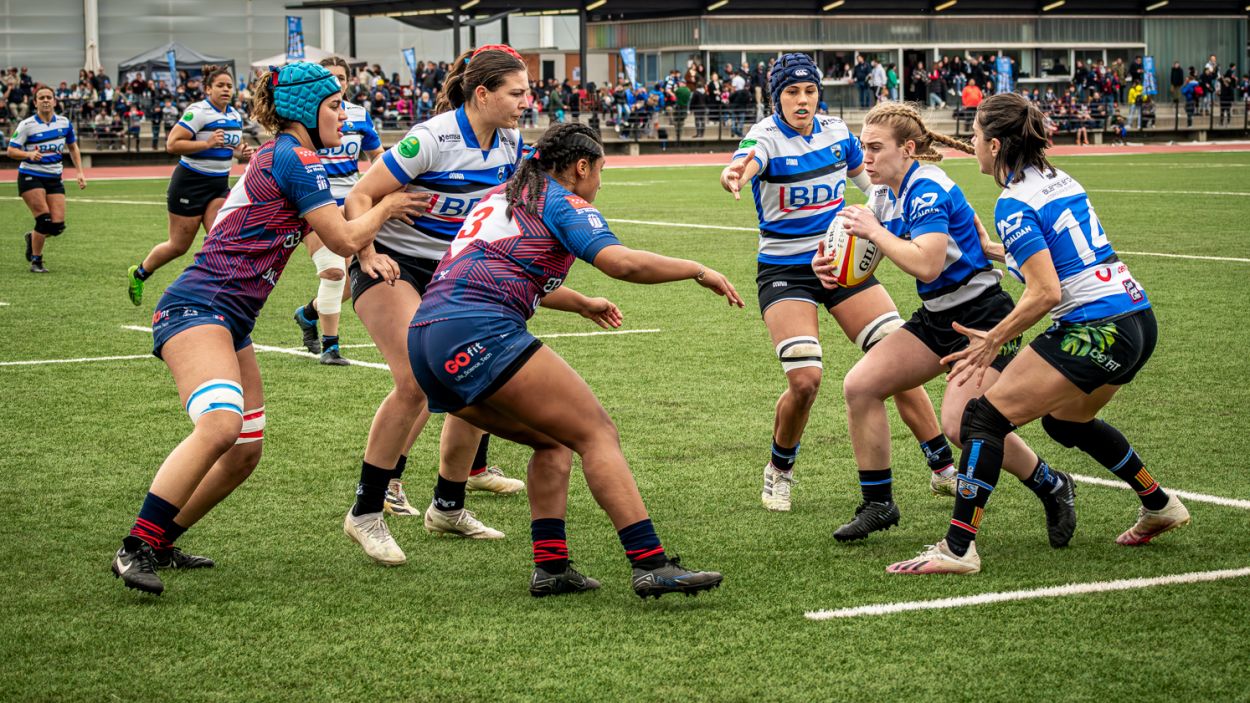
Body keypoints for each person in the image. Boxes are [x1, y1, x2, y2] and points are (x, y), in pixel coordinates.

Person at [109, 62, 425, 596]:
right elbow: (344, 235)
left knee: (244, 451)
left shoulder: (294, 156)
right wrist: (387, 209)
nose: (343, 116)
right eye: (333, 105)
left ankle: (163, 538)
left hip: (231, 320)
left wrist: (366, 249)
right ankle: (134, 546)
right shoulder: (294, 155)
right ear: (304, 110)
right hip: (196, 307)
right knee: (220, 426)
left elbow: (341, 224)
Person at [409, 122, 742, 598]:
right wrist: (697, 270)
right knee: (597, 432)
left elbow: (503, 268)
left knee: (554, 441)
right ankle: (650, 562)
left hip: (425, 341)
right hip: (477, 330)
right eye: (600, 170)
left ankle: (551, 568)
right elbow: (620, 262)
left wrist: (582, 302)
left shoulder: (506, 195)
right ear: (581, 166)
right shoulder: (560, 200)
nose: (602, 181)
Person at [887, 93, 1189, 575]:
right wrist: (994, 248)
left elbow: (1046, 291)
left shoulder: (1012, 202)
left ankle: (958, 548)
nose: (972, 142)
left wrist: (991, 340)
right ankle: (1159, 504)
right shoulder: (1053, 177)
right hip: (1136, 318)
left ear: (996, 144)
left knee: (982, 419)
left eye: (977, 134)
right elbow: (1061, 259)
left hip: (1097, 328)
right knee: (1066, 422)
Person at [814, 102, 1074, 547]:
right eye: (863, 147)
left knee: (959, 425)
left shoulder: (927, 188)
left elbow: (928, 265)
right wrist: (830, 263)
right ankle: (879, 502)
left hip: (982, 317)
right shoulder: (881, 194)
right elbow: (857, 249)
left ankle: (1052, 483)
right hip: (937, 318)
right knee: (861, 386)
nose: (866, 158)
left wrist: (875, 234)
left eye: (876, 148)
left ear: (908, 148)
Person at [719, 54, 959, 525]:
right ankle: (779, 469)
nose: (802, 100)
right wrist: (734, 175)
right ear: (777, 97)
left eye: (809, 90)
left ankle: (942, 466)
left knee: (896, 357)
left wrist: (875, 221)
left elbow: (874, 184)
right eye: (792, 92)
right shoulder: (765, 136)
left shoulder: (837, 134)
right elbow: (746, 161)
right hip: (786, 270)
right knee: (805, 380)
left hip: (843, 264)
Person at [339, 45, 531, 567]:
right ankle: (365, 512)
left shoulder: (512, 145)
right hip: (393, 265)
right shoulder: (432, 137)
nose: (526, 102)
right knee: (414, 381)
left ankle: (448, 506)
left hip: (455, 273)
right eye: (517, 93)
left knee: (477, 371)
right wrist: (370, 252)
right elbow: (358, 198)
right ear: (483, 93)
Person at [127, 66, 254, 306]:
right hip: (190, 184)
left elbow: (230, 148)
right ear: (208, 89)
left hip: (218, 185)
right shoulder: (198, 112)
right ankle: (140, 273)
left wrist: (242, 153)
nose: (226, 89)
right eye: (220, 85)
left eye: (229, 86)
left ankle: (219, 294)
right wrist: (205, 145)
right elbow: (172, 144)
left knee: (222, 239)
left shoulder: (235, 116)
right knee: (178, 246)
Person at [292, 57, 385, 365]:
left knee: (350, 278)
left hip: (352, 202)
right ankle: (331, 346)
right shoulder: (307, 117)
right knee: (332, 271)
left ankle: (309, 313)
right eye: (331, 78)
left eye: (342, 78)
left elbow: (377, 157)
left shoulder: (359, 115)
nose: (338, 83)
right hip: (315, 201)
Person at [7, 85, 87, 273]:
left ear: (54, 101)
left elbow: (73, 148)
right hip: (30, 175)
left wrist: (80, 172)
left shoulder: (64, 123)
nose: (45, 100)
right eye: (41, 97)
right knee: (44, 220)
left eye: (48, 97)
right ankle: (36, 261)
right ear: (35, 102)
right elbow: (11, 150)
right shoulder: (26, 125)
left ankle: (32, 237)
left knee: (57, 225)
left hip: (54, 177)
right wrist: (27, 155)